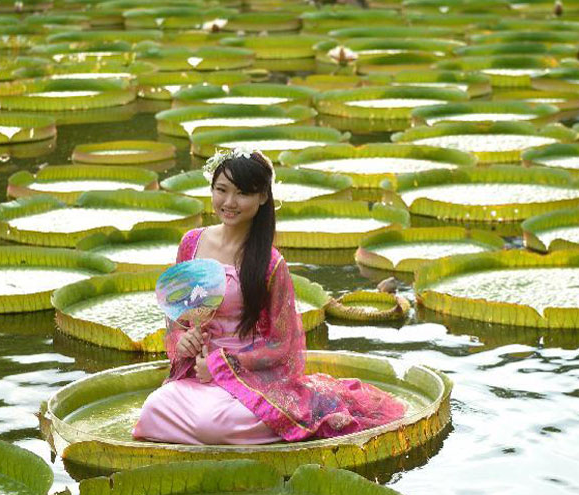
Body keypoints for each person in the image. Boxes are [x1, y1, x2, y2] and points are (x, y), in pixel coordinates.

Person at [132, 148, 405, 445]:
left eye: (242, 194)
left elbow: (282, 345)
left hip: (249, 378)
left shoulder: (270, 264)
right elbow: (179, 316)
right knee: (154, 409)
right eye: (221, 191)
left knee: (215, 424)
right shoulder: (191, 244)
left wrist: (223, 366)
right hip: (197, 375)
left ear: (262, 197)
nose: (229, 203)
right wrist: (184, 340)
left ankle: (243, 424)